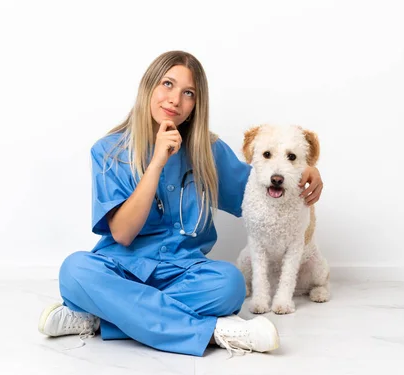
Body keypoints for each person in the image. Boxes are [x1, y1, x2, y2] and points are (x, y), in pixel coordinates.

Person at [38, 51, 324, 357]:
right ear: (148, 86)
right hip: (119, 270)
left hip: (185, 274)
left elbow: (261, 187)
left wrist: (302, 171)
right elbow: (122, 233)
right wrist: (157, 162)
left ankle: (101, 315)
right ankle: (215, 332)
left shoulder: (209, 152)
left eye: (188, 93)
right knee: (75, 271)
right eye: (167, 84)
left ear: (195, 105)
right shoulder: (109, 152)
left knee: (230, 285)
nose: (175, 100)